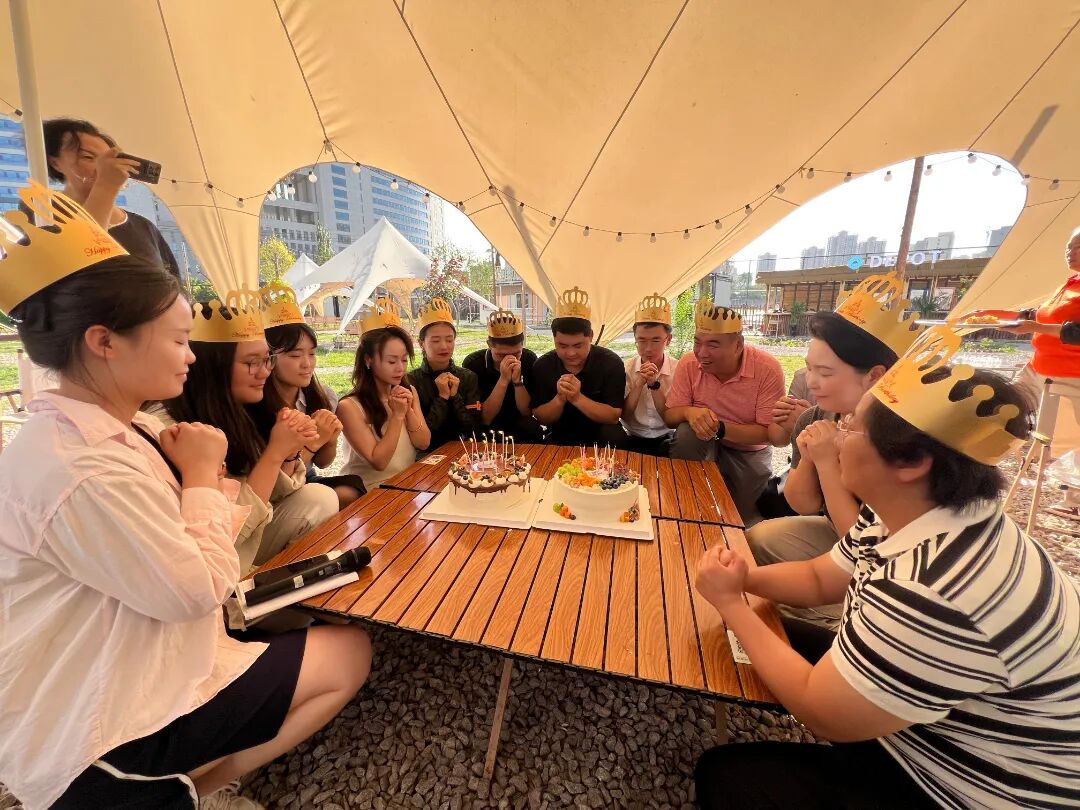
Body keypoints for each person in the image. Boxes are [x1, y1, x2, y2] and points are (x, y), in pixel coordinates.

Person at [0, 182, 371, 809]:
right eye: (177, 340)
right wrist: (201, 476)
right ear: (103, 341)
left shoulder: (127, 431)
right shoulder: (80, 467)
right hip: (102, 721)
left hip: (149, 656)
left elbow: (220, 520)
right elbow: (194, 589)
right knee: (349, 654)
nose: (191, 356)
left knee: (326, 608)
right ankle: (181, 793)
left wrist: (241, 470)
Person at [694, 327, 1080, 809]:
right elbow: (820, 577)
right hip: (932, 722)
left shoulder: (936, 586)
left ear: (911, 460)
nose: (839, 435)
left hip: (972, 788)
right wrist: (742, 579)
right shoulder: (910, 510)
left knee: (728, 777)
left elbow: (821, 713)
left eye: (852, 427)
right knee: (756, 636)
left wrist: (732, 604)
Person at [748, 274, 923, 640]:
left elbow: (864, 539)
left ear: (875, 376)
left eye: (825, 372)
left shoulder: (900, 438)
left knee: (790, 607)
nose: (811, 381)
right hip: (836, 529)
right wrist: (812, 456)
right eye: (809, 368)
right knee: (759, 538)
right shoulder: (818, 416)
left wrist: (828, 461)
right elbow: (801, 503)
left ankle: (846, 622)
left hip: (890, 553)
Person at [160, 290, 339, 572]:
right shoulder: (175, 430)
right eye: (251, 363)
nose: (264, 372)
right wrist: (276, 452)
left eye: (267, 360)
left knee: (319, 497)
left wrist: (290, 451)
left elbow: (276, 494)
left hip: (251, 531)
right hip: (212, 557)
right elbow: (227, 531)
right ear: (211, 367)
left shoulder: (248, 408)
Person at [664, 299, 784, 524]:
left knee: (740, 520)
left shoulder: (767, 369)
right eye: (697, 342)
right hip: (703, 444)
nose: (702, 353)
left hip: (748, 452)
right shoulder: (689, 364)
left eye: (713, 344)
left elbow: (768, 433)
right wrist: (689, 412)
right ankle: (684, 499)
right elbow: (670, 416)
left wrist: (719, 428)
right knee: (686, 433)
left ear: (738, 345)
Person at [253, 282, 365, 510]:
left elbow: (323, 462)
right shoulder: (257, 404)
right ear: (269, 357)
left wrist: (329, 439)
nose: (307, 364)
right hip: (272, 491)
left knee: (351, 490)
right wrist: (312, 444)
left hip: (306, 478)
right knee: (323, 498)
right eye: (295, 355)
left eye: (312, 354)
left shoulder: (322, 397)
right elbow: (276, 483)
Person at [43, 117, 181, 280]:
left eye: (109, 159)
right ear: (55, 163)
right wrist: (106, 186)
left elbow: (173, 285)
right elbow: (79, 266)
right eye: (88, 157)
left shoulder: (143, 226)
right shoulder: (42, 216)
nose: (105, 166)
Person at [338, 300, 430, 489]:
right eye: (391, 361)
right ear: (368, 360)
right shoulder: (349, 407)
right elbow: (379, 462)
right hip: (368, 490)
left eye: (404, 360)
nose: (400, 368)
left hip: (406, 483)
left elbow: (423, 443)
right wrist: (397, 416)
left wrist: (408, 410)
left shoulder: (409, 391)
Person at [530, 286, 627, 447]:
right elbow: (542, 418)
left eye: (578, 345)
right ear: (554, 339)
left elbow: (613, 416)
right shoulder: (543, 365)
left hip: (601, 434)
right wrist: (560, 398)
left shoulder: (610, 363)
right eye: (562, 346)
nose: (570, 353)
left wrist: (577, 398)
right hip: (560, 434)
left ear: (591, 337)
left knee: (614, 435)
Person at [407, 297, 481, 452]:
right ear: (421, 343)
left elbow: (474, 428)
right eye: (435, 341)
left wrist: (455, 396)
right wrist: (442, 398)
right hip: (426, 454)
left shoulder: (468, 377)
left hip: (465, 451)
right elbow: (422, 436)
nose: (444, 346)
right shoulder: (411, 381)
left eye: (449, 340)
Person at [461, 308, 541, 442]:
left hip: (519, 424)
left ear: (522, 345)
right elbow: (485, 418)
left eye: (516, 353)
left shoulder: (529, 359)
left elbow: (527, 412)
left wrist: (517, 382)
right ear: (489, 345)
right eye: (501, 355)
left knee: (531, 426)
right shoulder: (474, 363)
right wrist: (503, 380)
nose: (509, 359)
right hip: (488, 427)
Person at [622, 293, 676, 456]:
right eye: (642, 340)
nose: (648, 348)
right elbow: (624, 415)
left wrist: (653, 384)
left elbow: (671, 419)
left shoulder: (678, 369)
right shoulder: (626, 368)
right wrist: (639, 383)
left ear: (668, 340)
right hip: (632, 437)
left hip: (667, 437)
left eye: (656, 340)